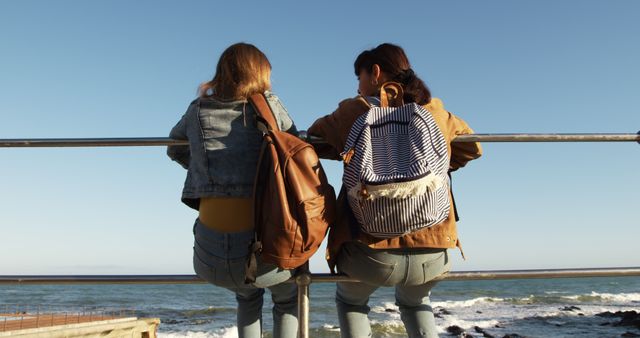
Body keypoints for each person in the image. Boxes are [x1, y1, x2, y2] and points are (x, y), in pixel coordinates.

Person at [308, 43, 482, 338]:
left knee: (351, 301)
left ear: (375, 73)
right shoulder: (435, 112)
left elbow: (312, 138)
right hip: (433, 249)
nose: (358, 86)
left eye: (359, 77)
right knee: (416, 303)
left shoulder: (353, 111)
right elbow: (472, 148)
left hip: (370, 252)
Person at [167, 43, 298, 338]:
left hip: (210, 256)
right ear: (260, 73)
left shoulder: (197, 109)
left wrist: (204, 171)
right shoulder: (268, 104)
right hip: (264, 250)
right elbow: (294, 150)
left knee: (247, 295)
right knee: (288, 296)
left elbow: (174, 149)